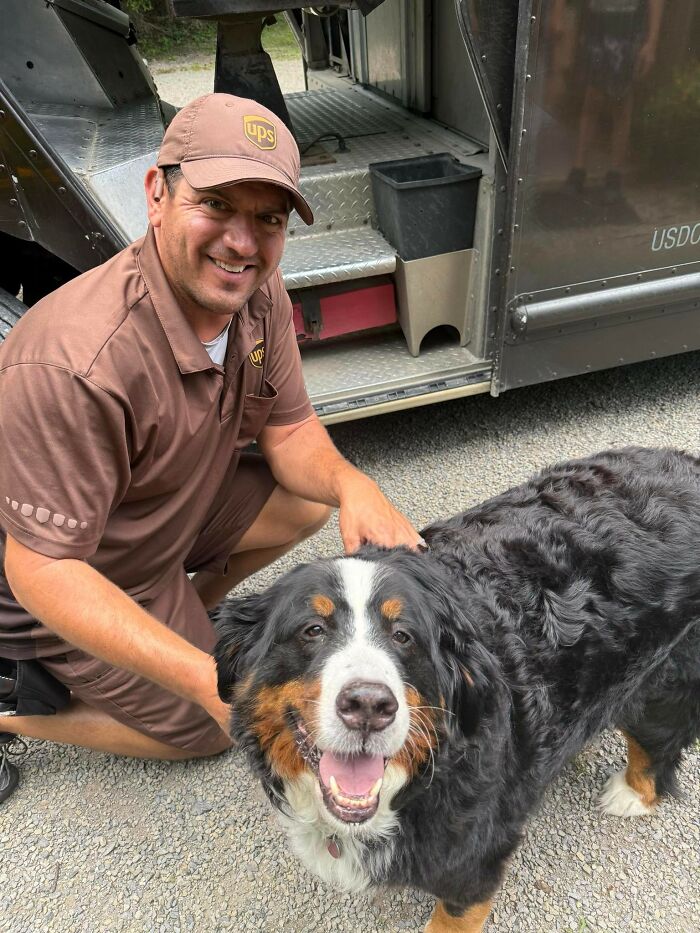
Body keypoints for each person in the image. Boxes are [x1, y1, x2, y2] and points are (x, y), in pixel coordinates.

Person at [0, 93, 423, 775]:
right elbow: (41, 569)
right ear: (156, 195)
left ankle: (184, 616)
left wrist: (352, 484)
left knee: (311, 499)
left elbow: (290, 432)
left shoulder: (259, 295)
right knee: (214, 726)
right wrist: (199, 676)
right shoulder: (73, 361)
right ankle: (15, 710)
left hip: (158, 521)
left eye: (267, 217)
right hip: (79, 578)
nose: (243, 241)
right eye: (217, 205)